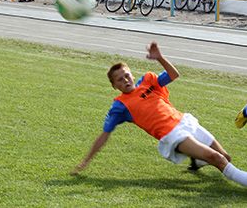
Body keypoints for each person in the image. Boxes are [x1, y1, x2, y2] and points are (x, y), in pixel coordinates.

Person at [70, 41, 247, 187]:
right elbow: (104, 135)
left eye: (126, 75)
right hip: (173, 135)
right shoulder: (120, 106)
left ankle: (198, 160)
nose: (125, 80)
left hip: (185, 121)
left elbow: (174, 74)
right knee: (216, 158)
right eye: (119, 80)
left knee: (226, 157)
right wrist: (86, 161)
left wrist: (160, 57)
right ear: (114, 86)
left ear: (132, 75)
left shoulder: (148, 81)